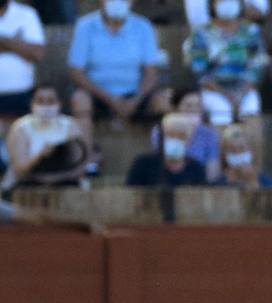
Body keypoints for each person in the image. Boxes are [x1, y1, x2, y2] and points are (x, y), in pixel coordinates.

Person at [67, 0, 162, 151]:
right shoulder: (85, 25)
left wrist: (135, 100)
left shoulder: (143, 26)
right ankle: (84, 160)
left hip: (135, 94)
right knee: (80, 100)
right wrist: (111, 99)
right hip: (97, 93)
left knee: (163, 101)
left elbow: (151, 73)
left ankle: (160, 158)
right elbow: (76, 72)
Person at [184, 0, 265, 128]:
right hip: (213, 90)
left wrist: (241, 93)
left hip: (245, 89)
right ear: (212, 4)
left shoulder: (251, 31)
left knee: (251, 111)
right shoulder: (200, 33)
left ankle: (251, 148)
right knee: (221, 113)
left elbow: (257, 66)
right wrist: (225, 94)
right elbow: (199, 70)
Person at [2, 84, 87, 189]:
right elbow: (19, 170)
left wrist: (56, 178)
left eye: (51, 101)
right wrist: (41, 155)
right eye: (40, 101)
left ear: (60, 103)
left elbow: (80, 166)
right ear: (32, 103)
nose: (46, 106)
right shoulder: (21, 127)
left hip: (65, 184)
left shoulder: (71, 125)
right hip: (28, 185)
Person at [149, 89, 221, 180]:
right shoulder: (160, 130)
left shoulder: (209, 133)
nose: (193, 110)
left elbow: (213, 167)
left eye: (198, 106)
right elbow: (158, 160)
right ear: (176, 108)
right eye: (188, 106)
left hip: (197, 179)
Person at [126, 111, 210, 186]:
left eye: (181, 136)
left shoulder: (196, 169)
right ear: (162, 138)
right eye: (171, 135)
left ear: (189, 141)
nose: (176, 139)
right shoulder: (143, 165)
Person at [0, 0, 44, 120]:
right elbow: (28, 50)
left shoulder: (27, 14)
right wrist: (17, 43)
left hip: (22, 96)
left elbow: (37, 54)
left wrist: (3, 40)